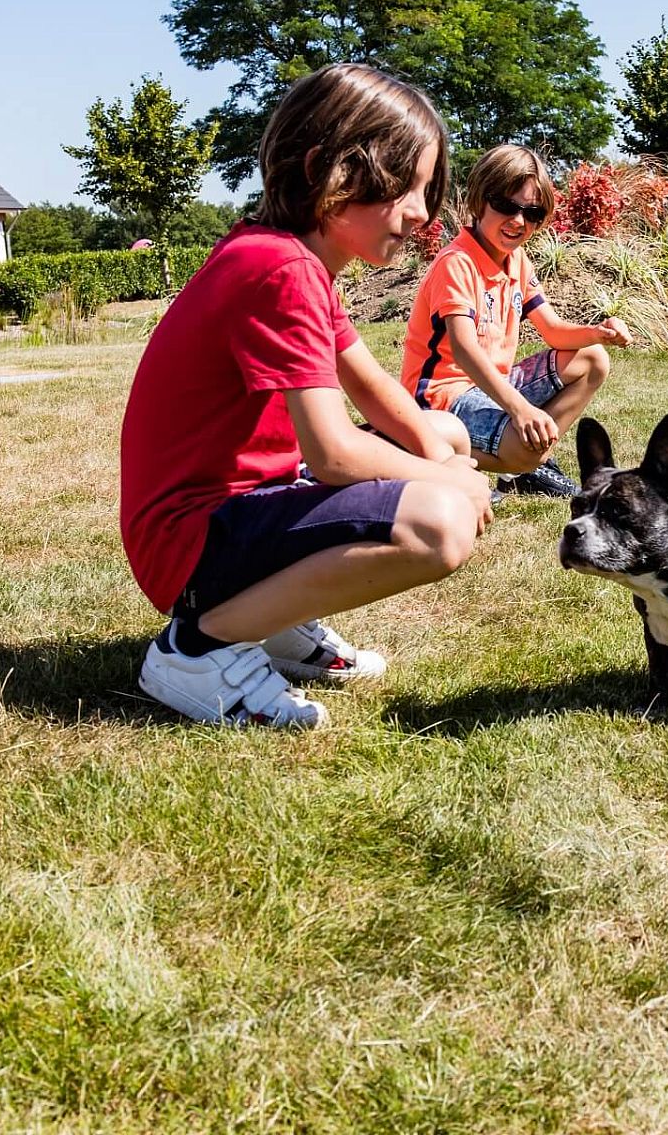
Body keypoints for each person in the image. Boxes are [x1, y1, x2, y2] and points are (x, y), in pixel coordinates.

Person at [120, 64, 493, 729]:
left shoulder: (288, 258)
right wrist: (449, 480)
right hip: (189, 543)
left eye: (426, 190)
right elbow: (333, 454)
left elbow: (373, 388)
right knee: (439, 523)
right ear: (327, 170)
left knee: (445, 433)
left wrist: (441, 451)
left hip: (226, 514)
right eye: (404, 185)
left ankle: (271, 621)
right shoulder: (282, 269)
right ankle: (198, 648)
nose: (421, 213)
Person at [401, 144, 633, 498]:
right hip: (443, 399)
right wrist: (521, 409)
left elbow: (553, 331)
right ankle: (433, 457)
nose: (518, 221)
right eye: (506, 206)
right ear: (480, 200)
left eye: (532, 212)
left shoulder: (517, 261)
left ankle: (524, 468)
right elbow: (464, 351)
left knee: (592, 359)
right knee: (526, 451)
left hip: (490, 386)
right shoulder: (457, 263)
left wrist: (598, 333)